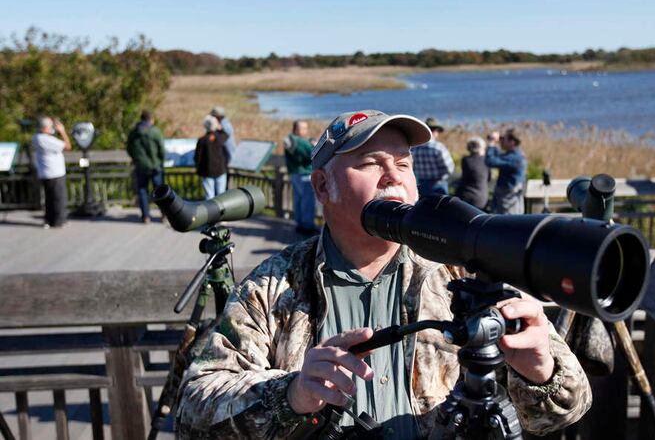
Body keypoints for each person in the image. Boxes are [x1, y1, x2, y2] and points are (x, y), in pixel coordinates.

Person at [176, 109, 591, 439]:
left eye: (404, 164)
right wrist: (292, 394)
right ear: (322, 187)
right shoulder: (273, 285)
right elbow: (194, 410)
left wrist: (542, 371)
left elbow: (568, 409)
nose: (393, 177)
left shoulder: (463, 270)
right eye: (372, 163)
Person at [32, 116, 71, 228]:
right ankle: (59, 221)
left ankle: (49, 220)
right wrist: (62, 131)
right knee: (58, 198)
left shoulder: (35, 137)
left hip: (45, 173)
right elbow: (68, 146)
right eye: (50, 127)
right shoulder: (46, 139)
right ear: (44, 128)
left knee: (49, 199)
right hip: (55, 173)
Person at [126, 110, 165, 223]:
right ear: (151, 119)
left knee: (142, 191)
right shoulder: (155, 132)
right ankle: (163, 215)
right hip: (155, 166)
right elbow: (161, 149)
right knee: (160, 192)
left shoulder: (134, 132)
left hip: (140, 166)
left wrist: (136, 159)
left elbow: (129, 149)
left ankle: (146, 216)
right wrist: (160, 161)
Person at [284, 119, 317, 235]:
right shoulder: (301, 142)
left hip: (295, 174)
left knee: (298, 200)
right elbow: (313, 154)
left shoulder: (290, 140)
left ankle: (299, 223)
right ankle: (307, 226)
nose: (305, 130)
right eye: (303, 128)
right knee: (308, 202)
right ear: (297, 129)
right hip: (305, 175)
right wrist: (314, 145)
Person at [486, 128, 528, 214]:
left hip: (508, 200)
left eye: (504, 139)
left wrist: (491, 144)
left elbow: (490, 161)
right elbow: (499, 157)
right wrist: (495, 144)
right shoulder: (516, 154)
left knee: (507, 224)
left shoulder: (514, 158)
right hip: (509, 197)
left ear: (512, 142)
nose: (501, 141)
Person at [411, 117, 454, 196]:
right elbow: (449, 169)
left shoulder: (414, 148)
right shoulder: (438, 147)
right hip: (438, 184)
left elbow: (412, 167)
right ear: (434, 131)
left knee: (424, 206)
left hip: (421, 184)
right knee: (441, 207)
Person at [195, 115, 229, 200]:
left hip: (207, 171)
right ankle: (222, 213)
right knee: (221, 196)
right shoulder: (219, 138)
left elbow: (197, 157)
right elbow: (226, 135)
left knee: (209, 196)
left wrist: (199, 169)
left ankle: (211, 213)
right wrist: (220, 128)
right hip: (220, 170)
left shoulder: (202, 140)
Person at [454, 136, 490, 210]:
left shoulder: (466, 160)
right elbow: (488, 178)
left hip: (465, 196)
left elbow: (465, 177)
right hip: (481, 198)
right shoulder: (487, 160)